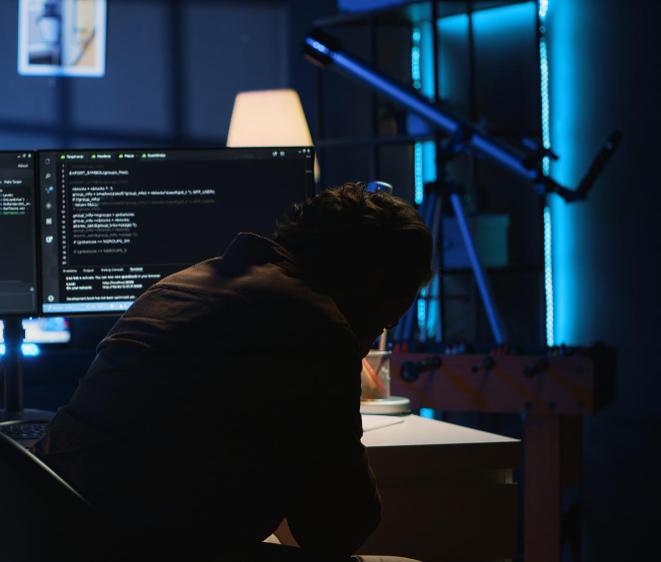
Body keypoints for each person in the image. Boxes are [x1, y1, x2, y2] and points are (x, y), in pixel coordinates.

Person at [31, 183, 434, 561]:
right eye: (382, 323)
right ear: (370, 282)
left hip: (56, 533)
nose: (371, 340)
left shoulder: (182, 284)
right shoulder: (315, 324)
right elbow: (337, 530)